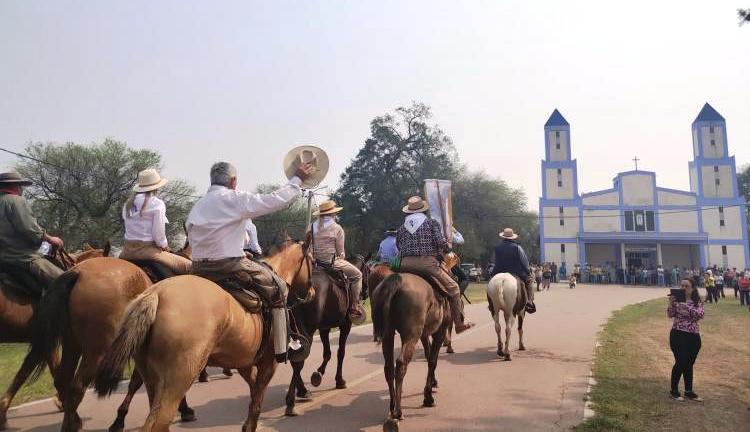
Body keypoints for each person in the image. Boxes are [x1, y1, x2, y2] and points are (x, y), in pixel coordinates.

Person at [186, 161, 313, 363]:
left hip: (198, 267)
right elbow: (274, 200)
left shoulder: (198, 205)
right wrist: (296, 179)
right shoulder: (235, 199)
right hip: (229, 265)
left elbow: (191, 233)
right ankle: (283, 347)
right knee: (279, 286)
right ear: (233, 181)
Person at [396, 196, 474, 333]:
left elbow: (398, 245)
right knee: (454, 288)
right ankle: (459, 324)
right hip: (427, 264)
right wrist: (447, 248)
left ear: (408, 211)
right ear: (423, 210)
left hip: (404, 265)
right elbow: (440, 242)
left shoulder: (401, 228)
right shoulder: (432, 223)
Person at [0, 171, 65, 296]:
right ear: (16, 186)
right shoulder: (16, 201)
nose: (21, 189)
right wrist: (51, 239)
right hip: (22, 257)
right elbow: (29, 229)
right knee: (65, 283)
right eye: (20, 186)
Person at [119, 169, 192, 276]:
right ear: (156, 187)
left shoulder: (128, 204)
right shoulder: (156, 203)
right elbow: (158, 234)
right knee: (190, 267)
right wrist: (165, 246)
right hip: (148, 252)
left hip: (126, 252)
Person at [308, 199, 363, 321]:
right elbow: (340, 252)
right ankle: (355, 305)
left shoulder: (311, 227)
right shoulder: (337, 228)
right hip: (331, 263)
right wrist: (341, 256)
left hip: (314, 264)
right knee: (358, 275)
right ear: (332, 213)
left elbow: (307, 248)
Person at [667, 278, 704, 402]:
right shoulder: (676, 300)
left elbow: (700, 315)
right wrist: (671, 303)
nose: (683, 288)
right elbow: (670, 314)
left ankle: (688, 391)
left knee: (689, 363)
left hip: (693, 336)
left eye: (686, 286)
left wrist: (686, 307)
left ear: (692, 288)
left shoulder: (697, 301)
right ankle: (674, 390)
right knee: (681, 361)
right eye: (681, 285)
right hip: (678, 334)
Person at [491, 227, 536, 313]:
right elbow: (524, 262)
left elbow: (495, 262)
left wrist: (493, 273)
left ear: (503, 237)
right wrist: (528, 272)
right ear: (512, 237)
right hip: (516, 272)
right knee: (529, 281)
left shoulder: (497, 248)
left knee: (491, 283)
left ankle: (491, 303)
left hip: (499, 272)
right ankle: (529, 302)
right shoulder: (517, 247)